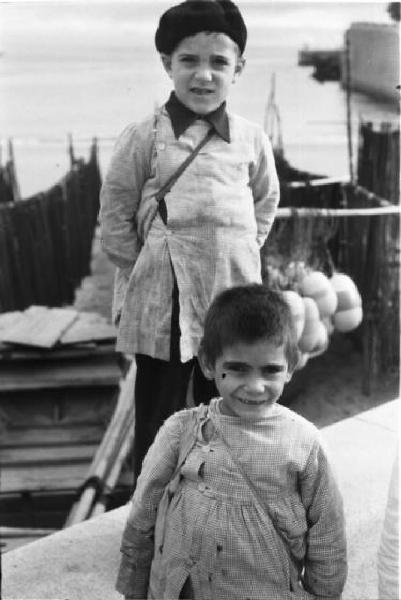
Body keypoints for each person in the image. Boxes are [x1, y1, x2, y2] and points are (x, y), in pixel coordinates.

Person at [99, 0, 280, 481]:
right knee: (159, 418)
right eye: (189, 61)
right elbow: (114, 219)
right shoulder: (143, 136)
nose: (204, 75)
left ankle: (218, 499)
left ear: (238, 68)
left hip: (229, 296)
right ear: (166, 65)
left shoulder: (252, 139)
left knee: (227, 410)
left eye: (219, 62)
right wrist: (151, 270)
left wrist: (235, 254)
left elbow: (264, 206)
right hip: (165, 303)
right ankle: (152, 506)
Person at [116, 284, 348, 600]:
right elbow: (143, 511)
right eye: (237, 369)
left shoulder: (305, 443)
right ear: (209, 364)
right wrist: (135, 587)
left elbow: (327, 535)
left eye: (270, 371)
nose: (255, 387)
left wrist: (325, 595)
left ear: (290, 367)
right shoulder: (181, 430)